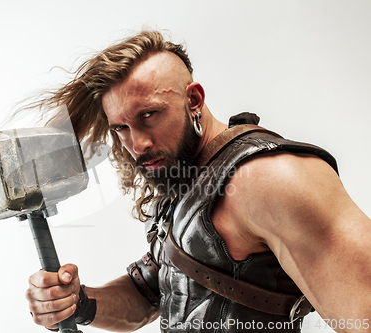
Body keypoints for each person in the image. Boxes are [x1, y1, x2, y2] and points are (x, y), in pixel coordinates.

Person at [24, 30, 371, 332]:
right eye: (121, 128)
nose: (138, 144)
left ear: (194, 100)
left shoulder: (270, 178)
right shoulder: (188, 177)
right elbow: (157, 295)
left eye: (149, 115)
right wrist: (76, 303)